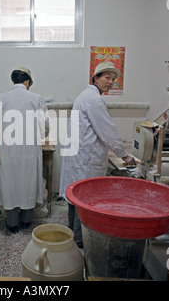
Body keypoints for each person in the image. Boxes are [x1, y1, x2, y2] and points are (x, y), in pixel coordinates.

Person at [59, 61, 136, 248]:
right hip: (86, 158)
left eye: (113, 79)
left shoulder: (85, 96)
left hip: (79, 156)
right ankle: (79, 240)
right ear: (96, 78)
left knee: (75, 197)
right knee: (82, 200)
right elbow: (107, 130)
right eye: (107, 77)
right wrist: (124, 155)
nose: (110, 82)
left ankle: (73, 232)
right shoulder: (94, 99)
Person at [0, 67, 49, 233]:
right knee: (28, 182)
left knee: (9, 183)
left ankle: (11, 223)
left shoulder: (0, 98)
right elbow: (44, 127)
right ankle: (26, 221)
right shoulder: (37, 99)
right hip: (30, 149)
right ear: (27, 82)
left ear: (13, 81)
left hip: (8, 149)